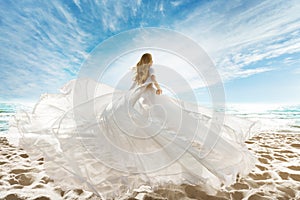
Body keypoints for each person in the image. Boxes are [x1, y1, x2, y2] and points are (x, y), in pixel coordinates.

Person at [10, 53, 259, 199]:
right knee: (159, 129)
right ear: (150, 61)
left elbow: (138, 86)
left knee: (126, 125)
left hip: (131, 99)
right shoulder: (150, 70)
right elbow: (154, 83)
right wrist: (158, 88)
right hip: (142, 98)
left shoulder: (136, 70)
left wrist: (144, 91)